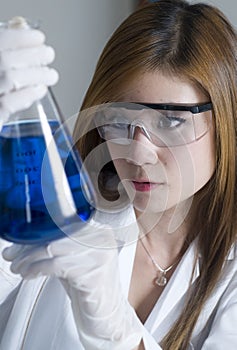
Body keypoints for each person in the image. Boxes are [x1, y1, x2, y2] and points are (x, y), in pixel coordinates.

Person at [0, 0, 237, 348]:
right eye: (119, 121)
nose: (138, 153)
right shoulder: (55, 210)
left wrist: (114, 327)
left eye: (171, 121)